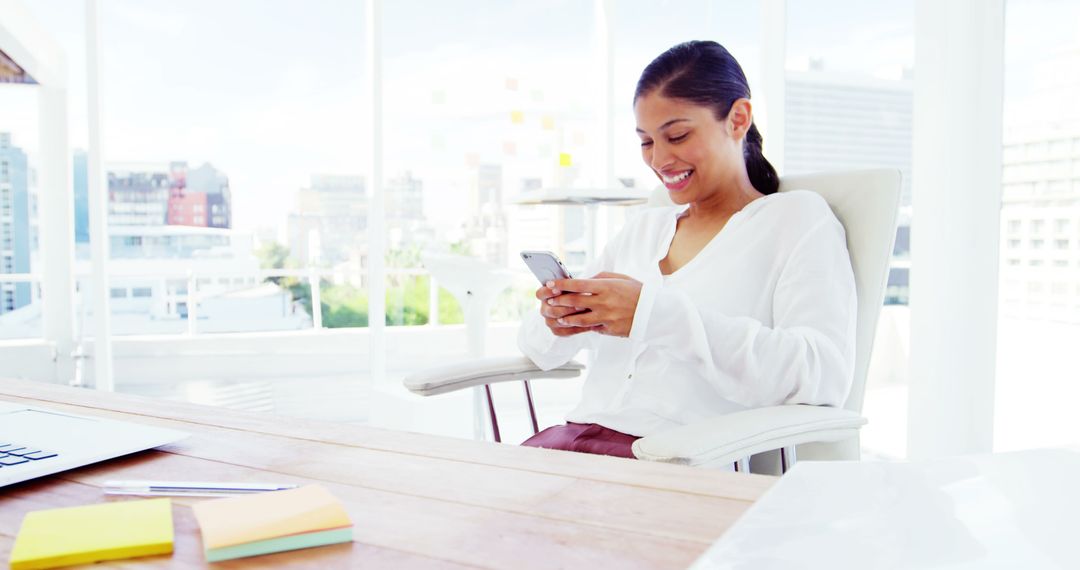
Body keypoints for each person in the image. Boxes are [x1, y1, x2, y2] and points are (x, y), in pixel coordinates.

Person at [517, 40, 857, 459]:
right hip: (569, 444)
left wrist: (652, 314)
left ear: (738, 118)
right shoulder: (644, 228)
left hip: (669, 460)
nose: (659, 160)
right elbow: (537, 350)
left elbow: (821, 375)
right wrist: (559, 321)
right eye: (645, 142)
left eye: (677, 135)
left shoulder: (795, 220)